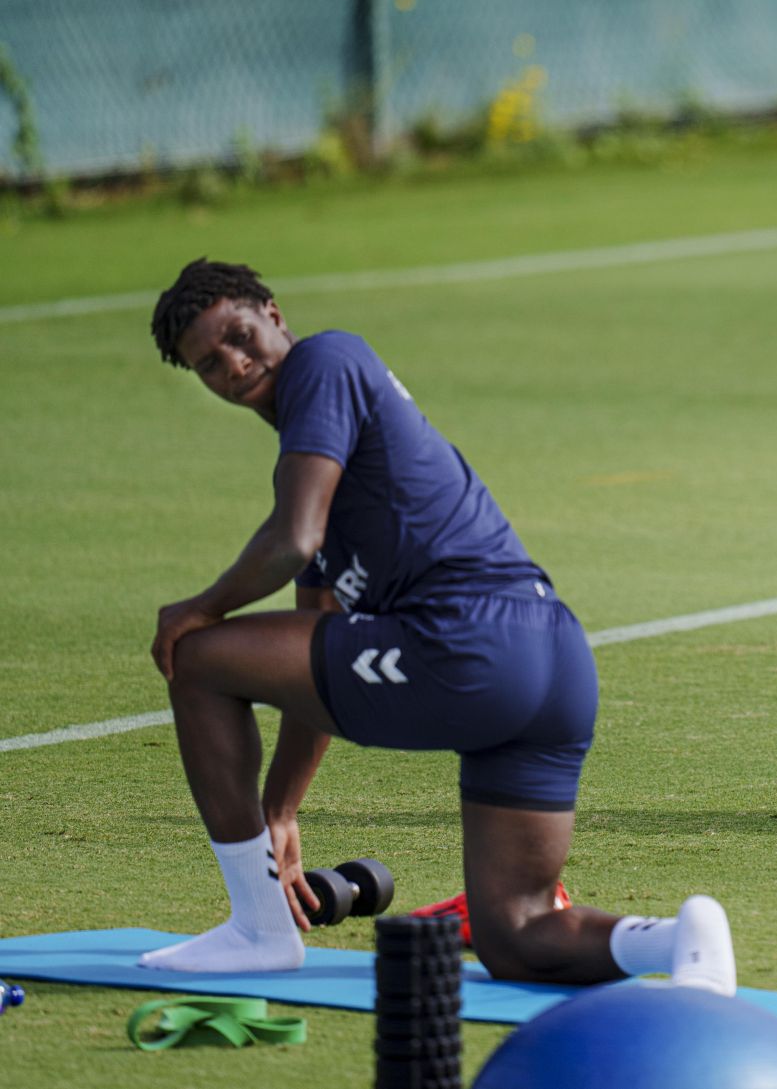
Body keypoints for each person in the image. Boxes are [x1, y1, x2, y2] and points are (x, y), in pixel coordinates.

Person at [141, 258, 734, 989]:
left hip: (468, 643)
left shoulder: (323, 362)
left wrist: (199, 608)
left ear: (273, 313)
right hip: (553, 660)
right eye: (209, 363)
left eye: (238, 334)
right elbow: (310, 648)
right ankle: (680, 941)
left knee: (196, 656)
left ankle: (259, 927)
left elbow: (293, 538)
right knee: (514, 933)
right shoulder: (311, 461)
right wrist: (281, 807)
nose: (234, 362)